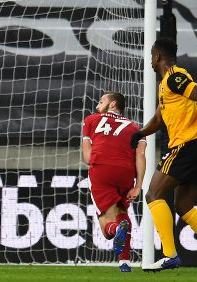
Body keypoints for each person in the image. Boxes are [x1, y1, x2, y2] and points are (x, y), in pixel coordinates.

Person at [131, 37, 197, 274]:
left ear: (157, 56)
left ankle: (169, 255)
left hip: (188, 146)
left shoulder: (176, 78)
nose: (150, 61)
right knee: (184, 205)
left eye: (151, 56)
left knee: (154, 193)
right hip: (196, 147)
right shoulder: (167, 84)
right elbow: (159, 118)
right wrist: (141, 133)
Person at [82, 92, 146, 272]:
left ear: (112, 104)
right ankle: (124, 261)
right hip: (127, 172)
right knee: (122, 211)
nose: (97, 106)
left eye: (101, 101)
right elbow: (140, 155)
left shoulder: (91, 120)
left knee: (106, 224)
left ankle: (117, 229)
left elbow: (87, 158)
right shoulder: (136, 128)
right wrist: (138, 185)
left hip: (102, 168)